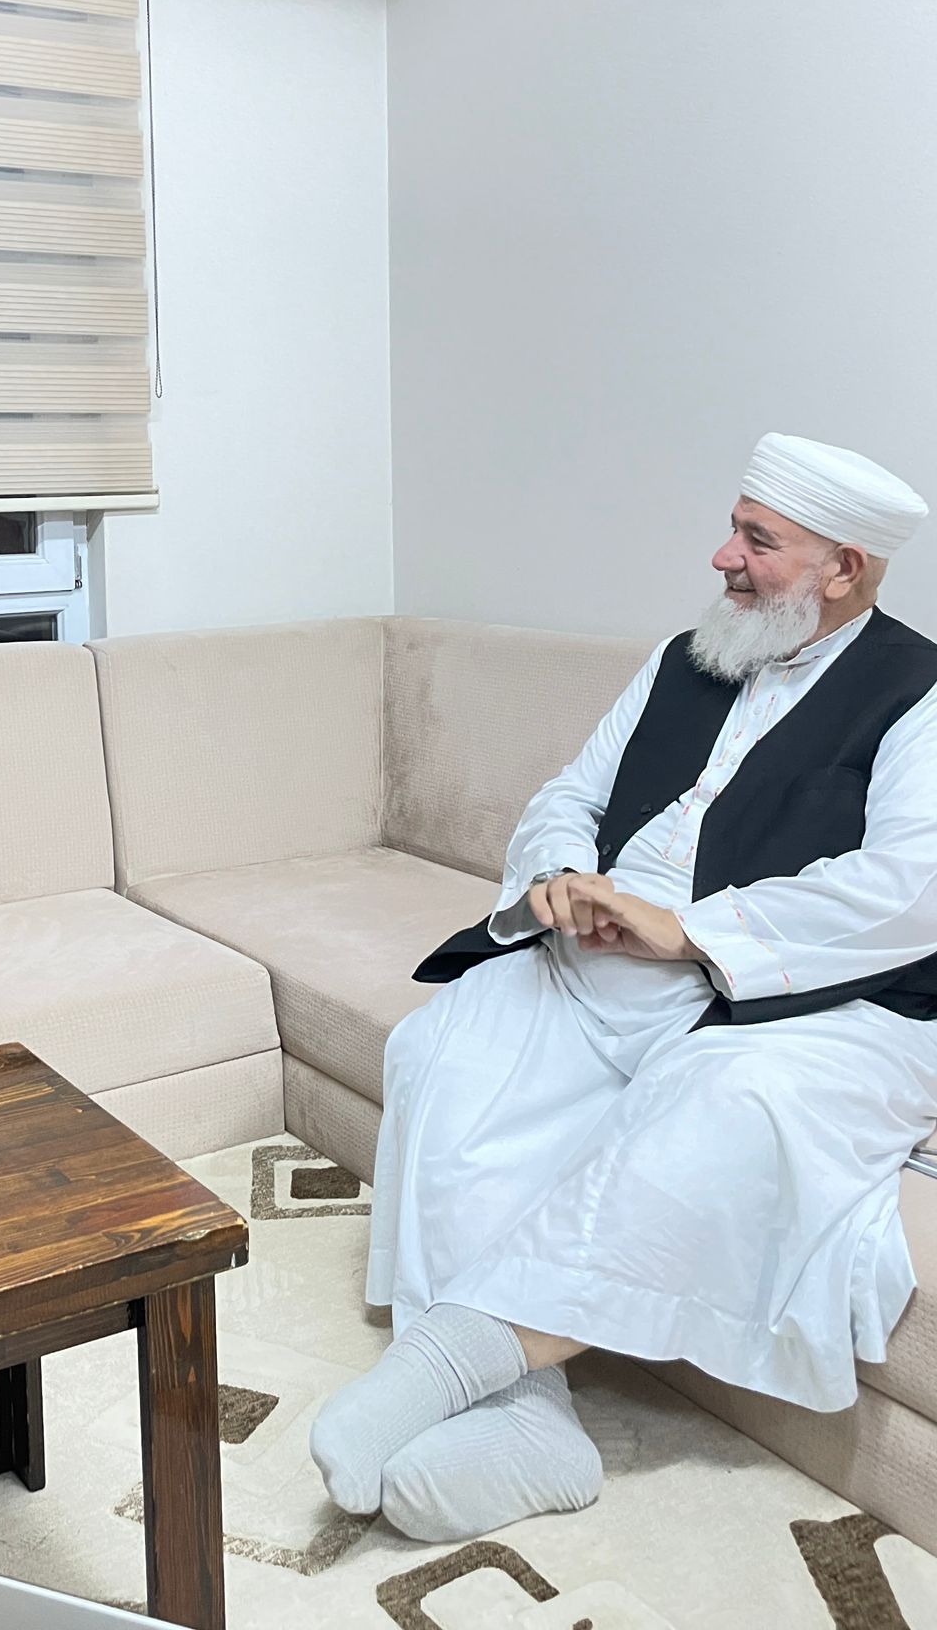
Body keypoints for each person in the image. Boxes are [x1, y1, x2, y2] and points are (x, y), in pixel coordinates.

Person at [311, 432, 937, 1544]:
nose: (723, 556)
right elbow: (573, 791)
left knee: (723, 1097)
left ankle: (444, 1364)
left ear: (844, 568)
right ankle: (529, 1420)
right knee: (448, 1045)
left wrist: (692, 931)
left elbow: (906, 889)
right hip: (607, 959)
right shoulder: (685, 657)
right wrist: (563, 876)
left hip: (805, 995)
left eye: (758, 540)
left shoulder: (920, 694)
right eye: (734, 528)